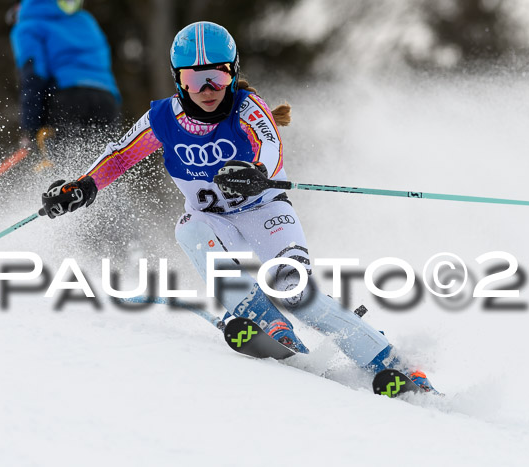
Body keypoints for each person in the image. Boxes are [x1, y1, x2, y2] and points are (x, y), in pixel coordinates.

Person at [39, 21, 439, 393]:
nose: (208, 87)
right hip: (215, 221)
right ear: (178, 80)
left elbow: (271, 147)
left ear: (233, 73)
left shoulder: (248, 108)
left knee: (295, 291)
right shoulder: (163, 117)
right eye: (194, 78)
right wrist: (82, 186)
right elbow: (121, 155)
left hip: (266, 214)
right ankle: (269, 323)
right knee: (189, 228)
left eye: (219, 75)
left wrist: (256, 170)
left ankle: (396, 365)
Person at [9, 0, 121, 160]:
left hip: (67, 100)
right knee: (105, 166)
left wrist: (30, 129)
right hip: (106, 100)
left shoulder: (28, 25)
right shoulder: (85, 20)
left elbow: (33, 77)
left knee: (65, 168)